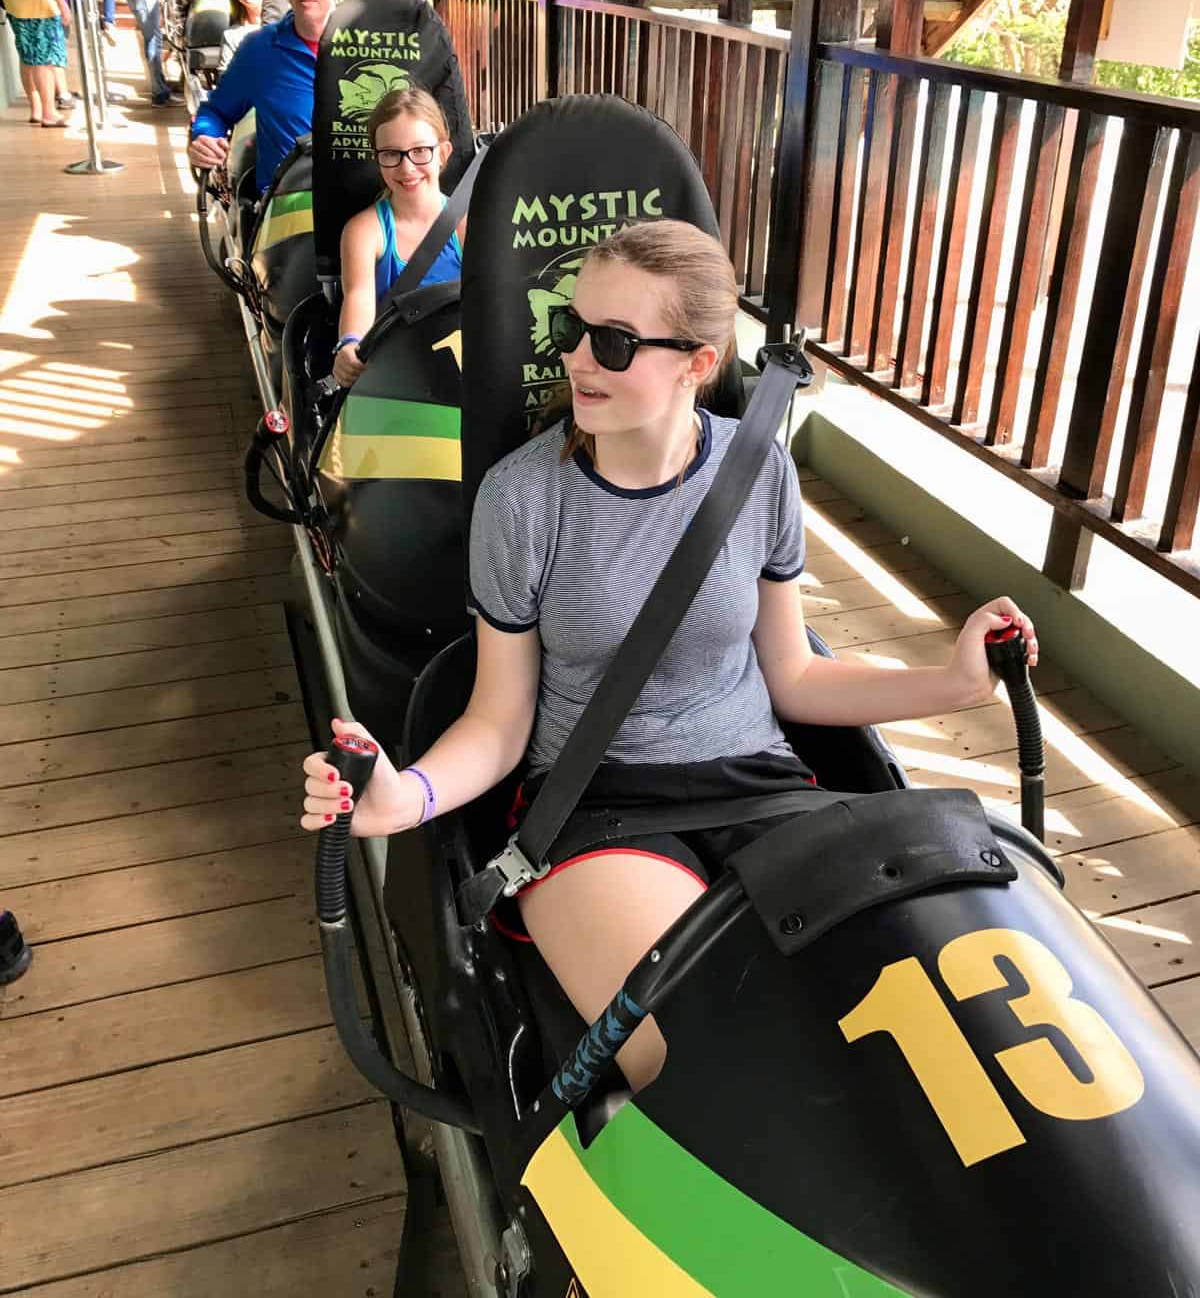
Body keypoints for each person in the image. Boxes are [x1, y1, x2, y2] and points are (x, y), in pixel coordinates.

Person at [300, 219, 1041, 1092]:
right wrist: (407, 797)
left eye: (612, 343)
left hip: (760, 782)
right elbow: (500, 720)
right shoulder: (525, 497)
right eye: (570, 331)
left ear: (698, 361)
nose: (577, 360)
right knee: (712, 1059)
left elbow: (793, 676)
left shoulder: (758, 470)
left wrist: (953, 683)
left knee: (912, 1030)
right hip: (601, 805)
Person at [188, 0, 345, 194]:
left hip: (358, 200)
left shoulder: (367, 45)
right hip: (288, 203)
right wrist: (205, 136)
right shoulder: (260, 49)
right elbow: (216, 111)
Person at [332, 88, 464, 387]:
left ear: (443, 153)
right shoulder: (364, 231)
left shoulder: (468, 224)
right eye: (391, 154)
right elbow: (359, 297)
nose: (406, 168)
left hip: (462, 374)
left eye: (420, 151)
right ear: (377, 158)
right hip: (396, 377)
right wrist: (350, 345)